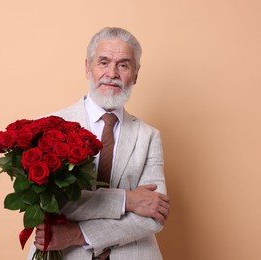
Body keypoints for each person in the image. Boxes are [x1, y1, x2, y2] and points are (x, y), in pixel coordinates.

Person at [27, 27, 169, 260]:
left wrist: (77, 234)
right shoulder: (52, 126)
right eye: (103, 62)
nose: (112, 73)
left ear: (135, 73)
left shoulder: (149, 136)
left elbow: (155, 215)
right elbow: (55, 204)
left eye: (123, 65)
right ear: (87, 67)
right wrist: (128, 200)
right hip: (61, 254)